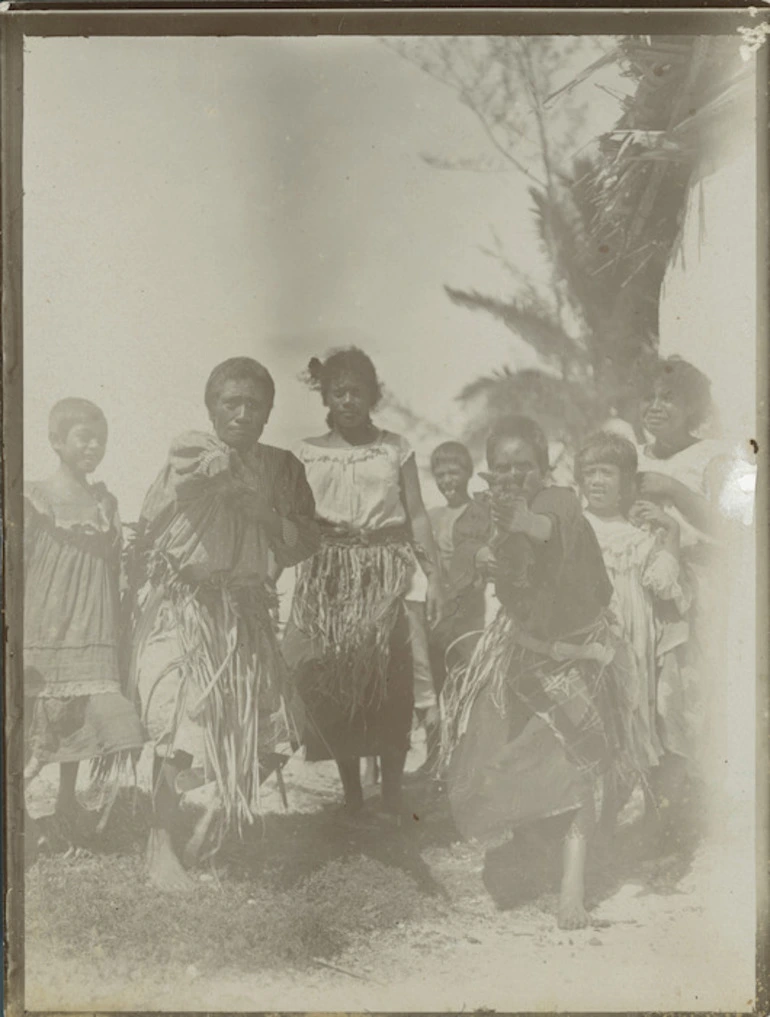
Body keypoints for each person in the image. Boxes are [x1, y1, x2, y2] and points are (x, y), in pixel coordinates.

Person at [126, 358, 318, 891]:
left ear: (268, 412)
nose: (240, 412)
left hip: (246, 615)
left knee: (272, 729)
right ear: (210, 407)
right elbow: (172, 501)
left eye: (253, 404)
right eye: (229, 402)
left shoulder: (283, 469)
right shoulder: (192, 453)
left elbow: (303, 540)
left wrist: (262, 511)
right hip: (188, 611)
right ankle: (159, 844)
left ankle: (208, 826)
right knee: (179, 726)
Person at [441, 416, 621, 930]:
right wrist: (481, 554)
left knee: (576, 768)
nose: (513, 476)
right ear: (487, 473)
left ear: (544, 469)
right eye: (501, 468)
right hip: (522, 652)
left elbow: (550, 531)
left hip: (576, 654)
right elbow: (463, 551)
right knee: (508, 761)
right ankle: (533, 853)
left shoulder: (558, 501)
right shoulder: (481, 512)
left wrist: (520, 522)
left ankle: (573, 888)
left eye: (524, 467)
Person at [283, 347, 444, 818]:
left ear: (372, 395)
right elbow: (293, 520)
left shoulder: (395, 448)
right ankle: (353, 795)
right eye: (338, 392)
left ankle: (392, 794)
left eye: (357, 392)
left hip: (386, 574)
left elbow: (416, 514)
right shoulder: (306, 452)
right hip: (329, 578)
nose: (348, 400)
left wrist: (434, 578)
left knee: (391, 684)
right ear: (326, 398)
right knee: (338, 686)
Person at [23, 398, 145, 834]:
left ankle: (65, 805)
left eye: (102, 439)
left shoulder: (104, 503)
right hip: (45, 624)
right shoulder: (33, 496)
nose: (94, 446)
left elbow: (115, 566)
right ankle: (15, 810)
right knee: (37, 716)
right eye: (84, 437)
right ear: (57, 441)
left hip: (93, 625)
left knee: (90, 715)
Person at [634, 356, 731, 834]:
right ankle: (658, 808)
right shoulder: (632, 455)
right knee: (648, 694)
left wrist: (674, 489)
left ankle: (678, 811)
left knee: (685, 691)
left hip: (699, 591)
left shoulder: (722, 455)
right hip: (641, 589)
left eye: (668, 398)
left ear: (692, 406)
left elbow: (747, 524)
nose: (655, 407)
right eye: (648, 397)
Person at [576, 432, 689, 788]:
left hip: (630, 637)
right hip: (587, 633)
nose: (596, 480)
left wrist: (670, 532)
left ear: (626, 481)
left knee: (627, 715)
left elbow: (664, 584)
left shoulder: (638, 535)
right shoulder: (574, 527)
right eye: (590, 472)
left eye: (606, 472)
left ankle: (621, 810)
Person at [423, 441, 489, 776]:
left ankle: (468, 756)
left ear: (467, 472)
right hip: (437, 611)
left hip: (469, 610)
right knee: (435, 682)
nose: (448, 479)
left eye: (455, 472)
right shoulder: (431, 516)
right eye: (441, 474)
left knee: (468, 680)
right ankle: (434, 754)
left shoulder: (480, 512)